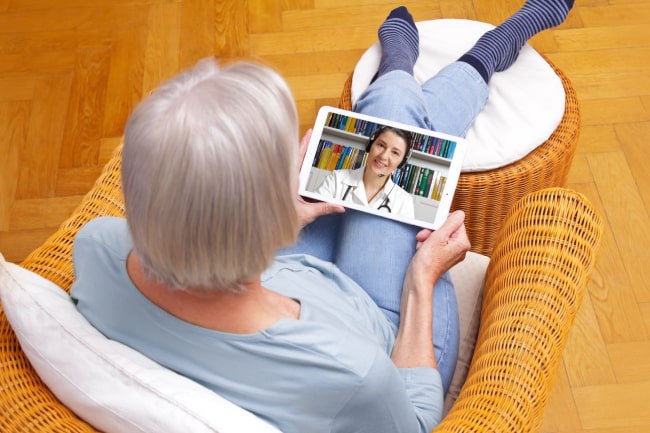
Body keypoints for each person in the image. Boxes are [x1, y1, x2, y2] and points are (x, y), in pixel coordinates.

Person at [70, 1, 574, 432]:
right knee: (394, 126)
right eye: (288, 158)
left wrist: (280, 217)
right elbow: (417, 421)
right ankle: (466, 59)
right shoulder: (356, 375)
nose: (298, 157)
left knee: (383, 139)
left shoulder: (97, 246)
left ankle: (405, 66)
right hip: (383, 319)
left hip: (276, 272)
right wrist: (423, 280)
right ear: (259, 214)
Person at [316, 125, 416, 218]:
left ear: (402, 162)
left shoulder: (404, 202)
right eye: (381, 145)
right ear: (370, 146)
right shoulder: (336, 179)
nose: (383, 156)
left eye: (395, 152)